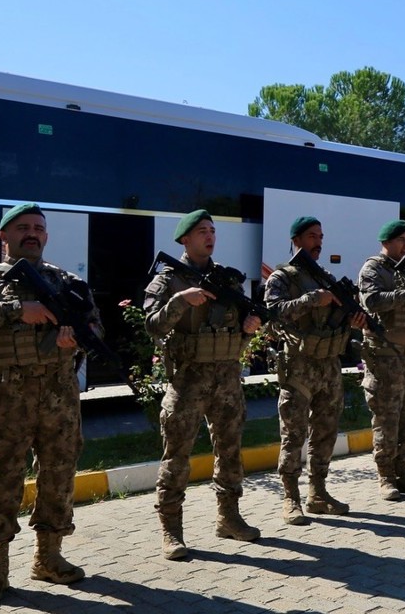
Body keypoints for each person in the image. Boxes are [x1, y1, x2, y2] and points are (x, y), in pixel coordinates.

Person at [0, 203, 94, 606]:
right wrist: (16, 310)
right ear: (4, 236)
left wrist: (74, 337)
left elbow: (93, 324)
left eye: (39, 228)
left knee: (59, 475)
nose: (32, 233)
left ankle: (49, 559)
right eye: (23, 227)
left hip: (59, 394)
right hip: (5, 397)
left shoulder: (67, 281)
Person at [145, 210, 262, 560]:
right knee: (177, 456)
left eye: (212, 231)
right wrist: (181, 301)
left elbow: (239, 327)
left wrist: (249, 328)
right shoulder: (168, 281)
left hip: (227, 379)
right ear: (185, 239)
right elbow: (152, 325)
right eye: (201, 231)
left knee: (230, 452)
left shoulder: (228, 279)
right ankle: (171, 531)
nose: (209, 236)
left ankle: (229, 519)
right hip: (188, 380)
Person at [263, 216, 362, 524]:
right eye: (311, 236)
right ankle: (290, 498)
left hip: (329, 365)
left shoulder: (326, 277)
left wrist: (353, 320)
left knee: (326, 432)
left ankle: (318, 493)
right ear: (296, 240)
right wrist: (310, 300)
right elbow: (272, 313)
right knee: (293, 434)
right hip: (299, 366)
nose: (318, 241)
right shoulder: (282, 278)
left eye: (320, 236)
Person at [357, 219, 405, 501]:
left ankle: (402, 471)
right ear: (387, 241)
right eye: (402, 239)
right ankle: (386, 476)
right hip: (385, 357)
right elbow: (371, 301)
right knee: (387, 419)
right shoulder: (373, 269)